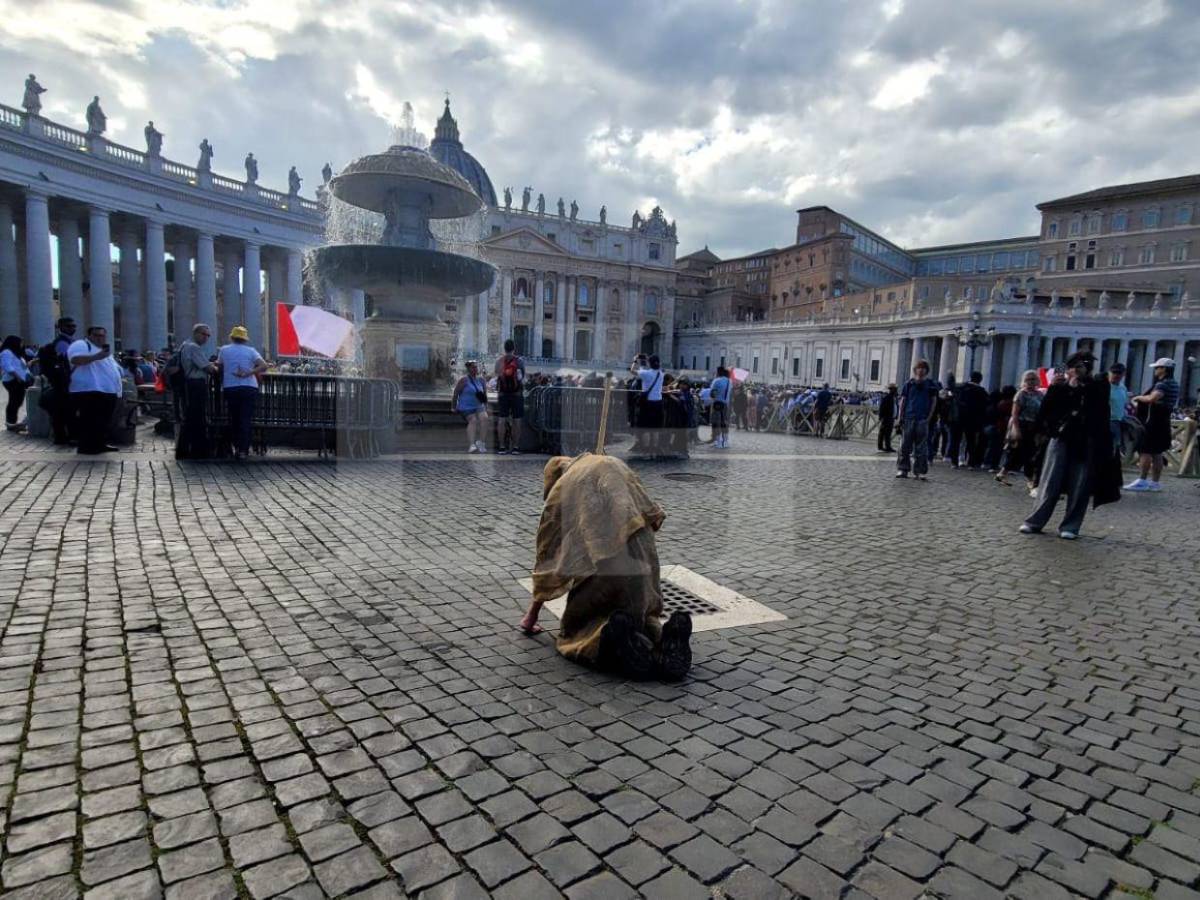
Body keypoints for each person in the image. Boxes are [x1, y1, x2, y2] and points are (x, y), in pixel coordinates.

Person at [520, 454, 692, 681]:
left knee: (581, 628)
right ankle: (662, 638)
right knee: (644, 615)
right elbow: (652, 513)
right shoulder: (612, 464)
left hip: (609, 568)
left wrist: (531, 616)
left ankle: (610, 639)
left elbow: (549, 557)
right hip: (644, 555)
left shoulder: (564, 487)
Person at [1021, 351, 1121, 539]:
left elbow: (1099, 410)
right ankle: (1035, 521)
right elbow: (1046, 411)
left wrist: (1078, 389)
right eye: (1072, 367)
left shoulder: (1097, 386)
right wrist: (1059, 388)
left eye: (1079, 367)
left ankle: (1071, 526)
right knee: (1050, 480)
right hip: (1061, 437)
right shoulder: (1059, 387)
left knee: (1080, 484)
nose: (1075, 371)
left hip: (1086, 440)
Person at [1125, 358, 1180, 492]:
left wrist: (1138, 397)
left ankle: (1142, 480)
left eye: (1157, 368)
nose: (1155, 370)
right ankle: (1155, 482)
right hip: (1164, 420)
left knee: (1145, 450)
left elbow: (1153, 398)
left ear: (1164, 369)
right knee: (1157, 452)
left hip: (1153, 421)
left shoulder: (1162, 384)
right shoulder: (1174, 383)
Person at [67, 325, 123, 455]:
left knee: (103, 420)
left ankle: (100, 444)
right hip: (89, 390)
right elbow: (75, 359)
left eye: (102, 335)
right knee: (90, 420)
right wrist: (97, 356)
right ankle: (86, 447)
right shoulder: (81, 344)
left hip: (107, 391)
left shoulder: (103, 350)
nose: (99, 338)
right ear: (89, 335)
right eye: (96, 335)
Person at [216, 326, 267, 461]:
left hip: (231, 387)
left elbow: (219, 367)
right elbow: (264, 366)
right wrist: (249, 373)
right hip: (249, 387)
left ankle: (235, 446)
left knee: (234, 418)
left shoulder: (224, 350)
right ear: (245, 339)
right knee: (245, 419)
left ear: (232, 337)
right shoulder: (251, 351)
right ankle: (243, 450)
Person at [176, 323, 217, 460]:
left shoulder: (185, 345)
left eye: (208, 336)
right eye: (204, 334)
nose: (206, 338)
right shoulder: (194, 347)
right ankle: (196, 450)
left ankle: (186, 449)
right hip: (196, 384)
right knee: (196, 417)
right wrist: (216, 368)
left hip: (190, 384)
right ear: (196, 333)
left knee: (191, 417)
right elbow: (208, 368)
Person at [995, 370, 1042, 490]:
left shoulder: (1040, 394)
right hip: (1022, 425)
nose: (1031, 382)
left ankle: (1002, 473)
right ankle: (1030, 479)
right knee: (1026, 453)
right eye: (1028, 379)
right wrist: (1016, 429)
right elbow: (1015, 414)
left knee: (1018, 452)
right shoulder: (1021, 394)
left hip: (1033, 426)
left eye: (1033, 379)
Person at [38, 316, 78, 444]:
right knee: (66, 409)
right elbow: (67, 362)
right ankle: (68, 436)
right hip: (63, 382)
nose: (72, 328)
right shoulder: (62, 343)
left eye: (74, 326)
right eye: (69, 326)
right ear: (61, 327)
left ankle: (61, 437)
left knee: (60, 410)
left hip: (62, 381)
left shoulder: (68, 341)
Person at [896, 359, 938, 479]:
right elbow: (903, 401)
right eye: (919, 368)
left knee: (921, 448)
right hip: (908, 418)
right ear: (915, 370)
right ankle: (902, 469)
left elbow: (934, 402)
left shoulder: (931, 385)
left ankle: (920, 471)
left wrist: (928, 418)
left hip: (922, 419)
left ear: (926, 370)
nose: (921, 370)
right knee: (904, 446)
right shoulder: (909, 384)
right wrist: (899, 417)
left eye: (923, 368)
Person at [494, 339, 525, 454]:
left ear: (504, 348)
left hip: (503, 394)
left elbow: (497, 375)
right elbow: (522, 377)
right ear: (514, 348)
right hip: (517, 394)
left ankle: (502, 447)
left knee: (502, 419)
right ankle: (515, 447)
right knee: (517, 420)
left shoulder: (499, 361)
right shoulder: (519, 361)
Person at [452, 360, 490, 453]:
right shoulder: (463, 380)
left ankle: (481, 443)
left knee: (485, 418)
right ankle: (472, 445)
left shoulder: (481, 380)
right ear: (468, 369)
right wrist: (453, 407)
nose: (476, 369)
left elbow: (484, 394)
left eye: (476, 367)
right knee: (473, 420)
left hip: (478, 405)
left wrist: (486, 406)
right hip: (466, 406)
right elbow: (456, 393)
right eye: (473, 367)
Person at [630, 354, 664, 455]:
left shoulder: (646, 373)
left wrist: (635, 361)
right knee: (655, 429)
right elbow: (645, 371)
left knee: (646, 428)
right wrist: (644, 363)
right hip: (658, 403)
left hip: (647, 403)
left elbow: (632, 371)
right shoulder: (661, 374)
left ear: (649, 363)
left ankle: (646, 451)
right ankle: (654, 451)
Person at [956, 371, 989, 469]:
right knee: (972, 441)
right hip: (974, 420)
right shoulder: (982, 391)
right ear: (980, 380)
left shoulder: (962, 388)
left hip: (962, 418)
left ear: (970, 378)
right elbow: (985, 407)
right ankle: (970, 462)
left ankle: (961, 459)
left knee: (962, 441)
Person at [1, 335, 32, 432]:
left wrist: (31, 363)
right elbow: (7, 366)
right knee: (14, 401)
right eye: (20, 342)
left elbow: (22, 366)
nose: (22, 344)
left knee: (17, 401)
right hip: (12, 380)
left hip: (19, 381)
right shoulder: (6, 352)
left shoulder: (16, 353)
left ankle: (12, 423)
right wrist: (18, 377)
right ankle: (10, 423)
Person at [1106, 363, 1129, 460]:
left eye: (1119, 373)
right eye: (1114, 372)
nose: (1116, 375)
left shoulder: (1123, 387)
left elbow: (1125, 404)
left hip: (1119, 422)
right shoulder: (1104, 386)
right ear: (1109, 372)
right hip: (1106, 421)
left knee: (1116, 450)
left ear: (1123, 374)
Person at [709, 366, 732, 448]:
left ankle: (718, 441)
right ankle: (725, 441)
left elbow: (712, 394)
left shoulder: (716, 381)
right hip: (725, 404)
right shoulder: (729, 381)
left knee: (716, 422)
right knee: (724, 422)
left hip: (717, 403)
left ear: (718, 372)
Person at [877, 383, 897, 452]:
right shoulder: (887, 397)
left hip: (891, 417)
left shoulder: (893, 397)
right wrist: (881, 417)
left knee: (885, 432)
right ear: (892, 390)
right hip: (887, 417)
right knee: (886, 433)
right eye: (895, 389)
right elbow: (882, 407)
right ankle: (886, 446)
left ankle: (882, 446)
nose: (896, 391)